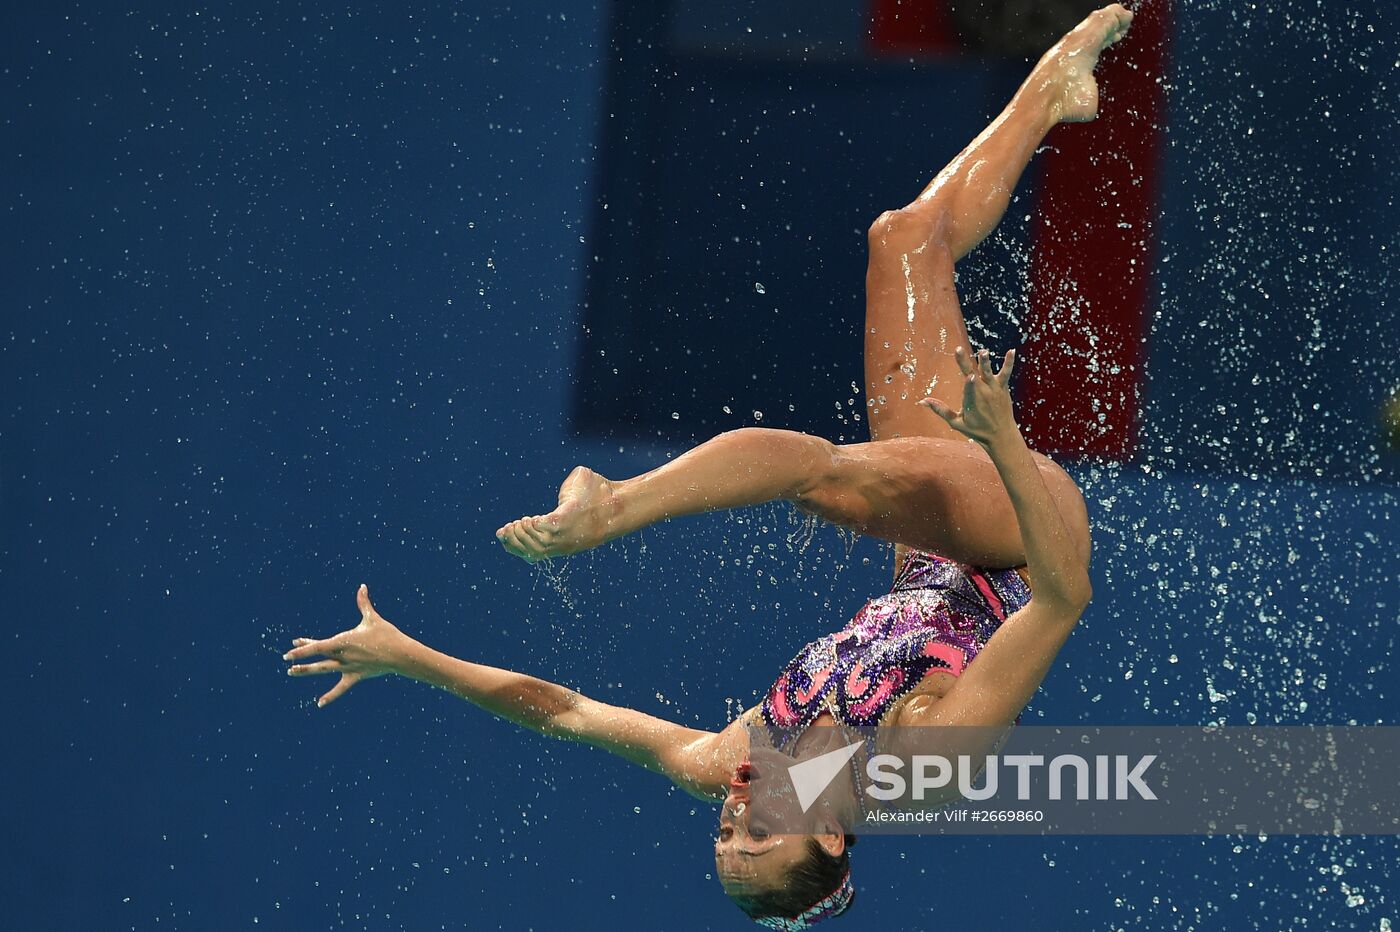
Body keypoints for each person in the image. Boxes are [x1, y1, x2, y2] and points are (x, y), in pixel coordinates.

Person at [286, 6, 1132, 925]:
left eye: (724, 841)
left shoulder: (741, 751)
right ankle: (614, 507)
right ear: (833, 833)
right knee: (821, 479)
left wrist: (409, 657)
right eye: (759, 837)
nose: (734, 817)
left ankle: (1048, 91)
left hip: (928, 535)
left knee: (904, 242)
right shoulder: (919, 765)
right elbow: (1064, 596)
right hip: (1020, 534)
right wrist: (1005, 447)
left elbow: (566, 713)